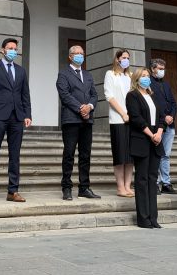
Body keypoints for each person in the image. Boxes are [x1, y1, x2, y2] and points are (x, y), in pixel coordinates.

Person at [0, 38, 32, 204]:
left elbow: (25, 95)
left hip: (17, 117)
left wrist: (27, 114)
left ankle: (13, 190)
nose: (13, 51)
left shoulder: (21, 71)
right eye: (10, 48)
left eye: (15, 48)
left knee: (15, 156)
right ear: (2, 50)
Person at [56, 45, 100, 200]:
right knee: (69, 154)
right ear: (70, 56)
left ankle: (84, 187)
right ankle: (66, 187)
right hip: (71, 119)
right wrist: (81, 108)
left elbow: (94, 95)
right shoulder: (63, 74)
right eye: (77, 53)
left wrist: (90, 106)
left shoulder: (88, 75)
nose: (80, 56)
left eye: (82, 53)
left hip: (87, 120)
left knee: (85, 155)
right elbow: (64, 94)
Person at [126, 67, 166, 229]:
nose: (146, 78)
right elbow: (136, 118)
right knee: (142, 179)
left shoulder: (152, 96)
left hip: (156, 140)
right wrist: (151, 134)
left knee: (152, 179)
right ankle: (143, 218)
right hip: (142, 139)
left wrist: (160, 133)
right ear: (136, 79)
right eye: (143, 76)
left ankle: (153, 217)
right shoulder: (132, 95)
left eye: (147, 76)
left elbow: (162, 116)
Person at [104, 49, 133, 197]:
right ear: (117, 59)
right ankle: (120, 187)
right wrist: (123, 113)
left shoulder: (131, 76)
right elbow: (109, 96)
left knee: (130, 157)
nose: (126, 60)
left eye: (128, 58)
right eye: (123, 57)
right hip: (118, 120)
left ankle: (128, 186)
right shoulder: (110, 74)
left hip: (132, 121)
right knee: (120, 155)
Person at [150, 58, 177, 195]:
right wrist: (164, 116)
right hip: (157, 124)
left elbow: (173, 102)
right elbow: (152, 102)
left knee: (166, 155)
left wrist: (171, 116)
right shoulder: (148, 82)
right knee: (156, 154)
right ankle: (154, 183)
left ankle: (166, 183)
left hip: (170, 124)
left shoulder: (166, 84)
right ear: (152, 69)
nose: (162, 71)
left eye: (163, 68)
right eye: (159, 68)